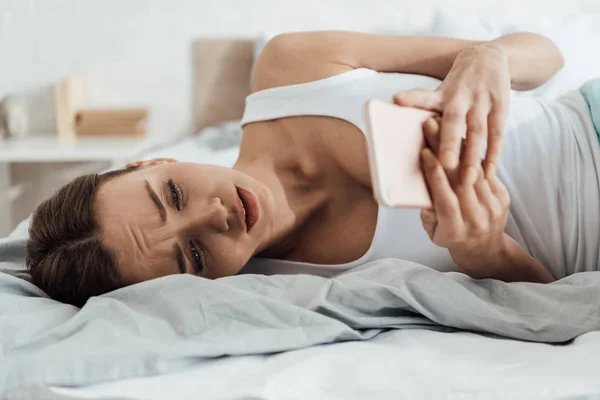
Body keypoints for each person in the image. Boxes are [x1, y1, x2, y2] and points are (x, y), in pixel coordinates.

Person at [26, 31, 599, 308]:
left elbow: (546, 57)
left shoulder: (292, 69)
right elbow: (552, 304)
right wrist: (488, 254)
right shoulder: (302, 296)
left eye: (172, 194)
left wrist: (485, 57)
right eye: (194, 256)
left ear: (152, 160)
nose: (217, 215)